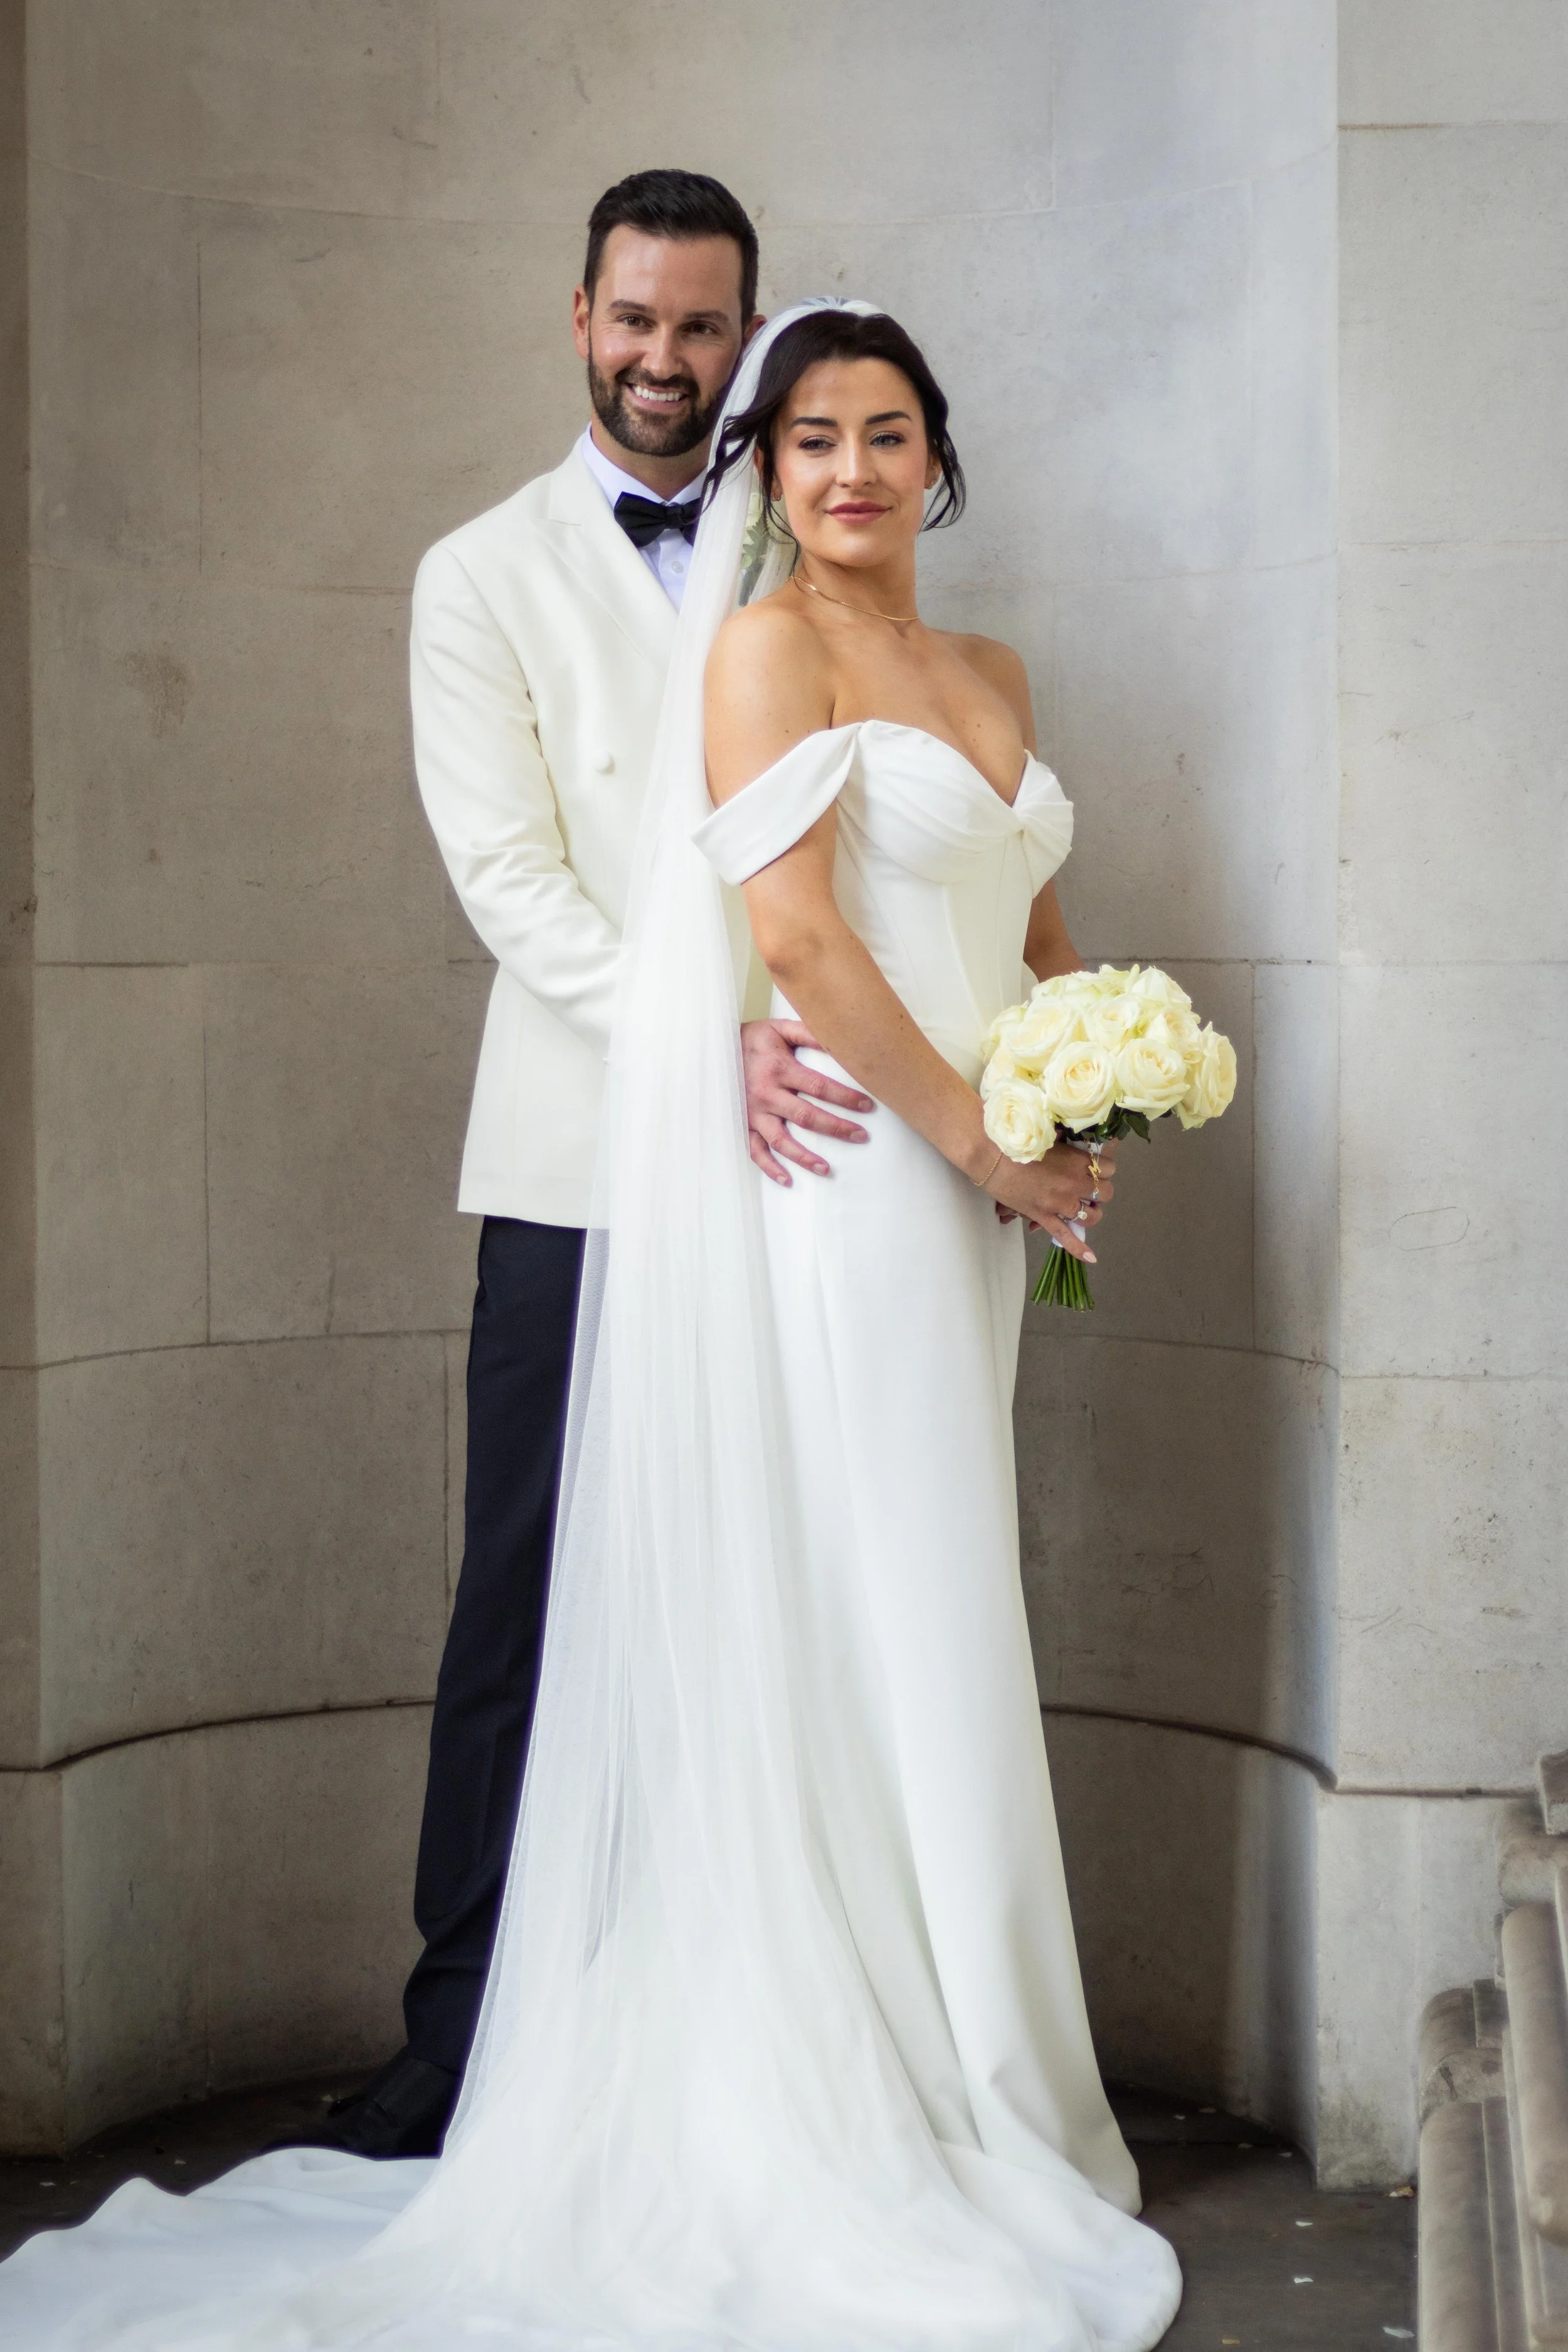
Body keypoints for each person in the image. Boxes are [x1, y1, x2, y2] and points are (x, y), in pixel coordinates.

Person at [0, 301, 1182, 2351]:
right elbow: (795, 938)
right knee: (871, 1596)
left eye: (887, 434)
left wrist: (1085, 1084)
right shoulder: (760, 650)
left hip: (978, 1187)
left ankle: (966, 2055)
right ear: (763, 466)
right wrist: (983, 1156)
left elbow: (1035, 919)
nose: (848, 471)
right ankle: (886, 2079)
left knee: (933, 1595)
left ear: (937, 458)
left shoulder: (990, 672)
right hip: (856, 1188)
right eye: (808, 436)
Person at [320, 170, 874, 2161]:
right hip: (579, 1155)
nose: (665, 359)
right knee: (525, 1593)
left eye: (700, 328)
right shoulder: (478, 572)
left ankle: (741, 2023)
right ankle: (459, 2031)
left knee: (778, 1583)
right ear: (579, 319)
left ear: (744, 339)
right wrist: (689, 1044)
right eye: (633, 321)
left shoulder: (796, 533)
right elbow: (509, 881)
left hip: (805, 1150)